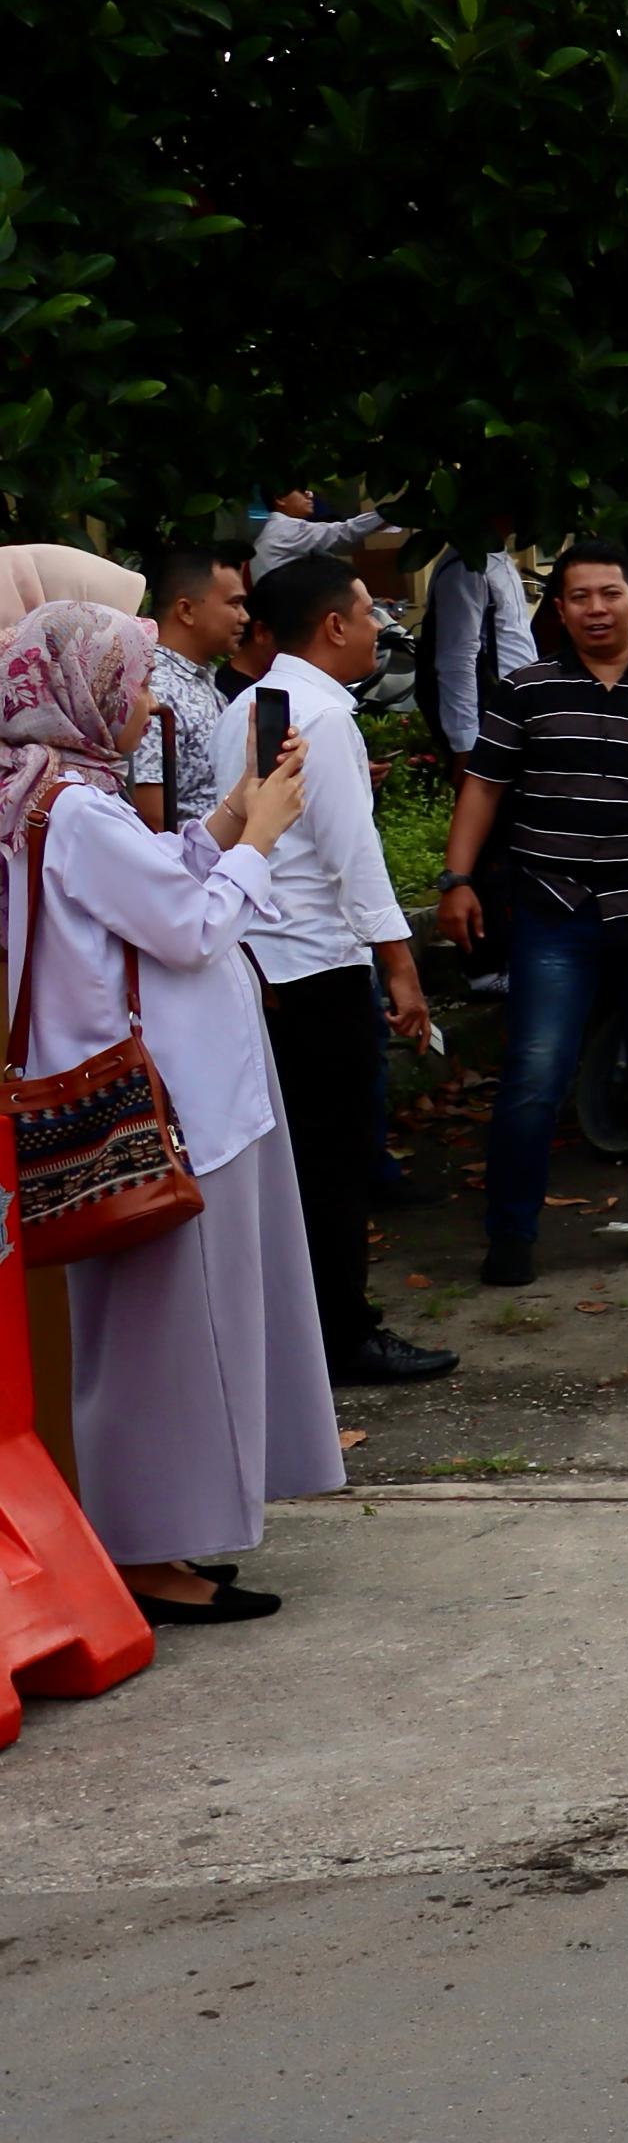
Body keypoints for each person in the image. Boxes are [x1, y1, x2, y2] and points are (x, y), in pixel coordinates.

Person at [2, 599, 345, 1626]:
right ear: (84, 692)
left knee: (176, 1331)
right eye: (132, 678)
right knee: (169, 1338)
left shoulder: (57, 798)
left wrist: (235, 817)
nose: (149, 698)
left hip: (174, 1098)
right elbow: (189, 926)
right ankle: (148, 1552)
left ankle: (166, 1535)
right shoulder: (72, 808)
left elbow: (156, 888)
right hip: (164, 1106)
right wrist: (261, 842)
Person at [437, 538, 628, 1289]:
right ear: (557, 609)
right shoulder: (525, 690)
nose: (596, 608)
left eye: (609, 593)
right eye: (580, 596)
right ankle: (512, 1234)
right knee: (534, 1074)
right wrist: (457, 877)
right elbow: (484, 788)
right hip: (554, 910)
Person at [231, 553, 450, 1388]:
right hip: (316, 971)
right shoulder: (322, 716)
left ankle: (297, 1333)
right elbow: (354, 862)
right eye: (367, 616)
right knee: (334, 1161)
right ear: (333, 626)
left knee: (294, 1166)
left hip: (261, 967)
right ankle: (342, 1334)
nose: (374, 632)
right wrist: (403, 969)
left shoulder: (250, 705)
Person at [124, 546, 249, 832]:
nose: (244, 617)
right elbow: (153, 816)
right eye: (234, 603)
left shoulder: (201, 679)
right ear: (186, 610)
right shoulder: (156, 688)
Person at [421, 527, 536, 766]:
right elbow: (457, 660)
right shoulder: (467, 568)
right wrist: (466, 746)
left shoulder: (499, 559)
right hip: (493, 717)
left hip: (517, 712)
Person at [248, 486, 381, 585]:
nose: (310, 495)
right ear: (280, 499)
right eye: (301, 491)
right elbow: (346, 531)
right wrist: (390, 513)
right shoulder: (288, 528)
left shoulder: (274, 530)